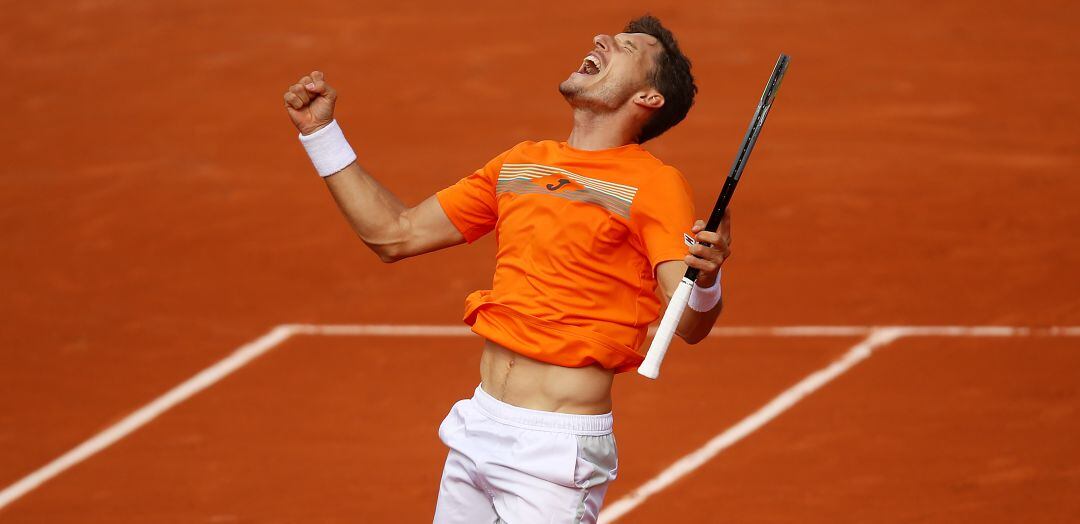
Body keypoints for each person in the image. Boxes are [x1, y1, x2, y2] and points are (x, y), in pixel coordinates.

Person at [283, 14, 731, 524]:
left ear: (648, 99)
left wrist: (709, 279)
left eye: (626, 47)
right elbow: (395, 233)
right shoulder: (522, 164)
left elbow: (688, 324)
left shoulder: (653, 184)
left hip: (555, 450)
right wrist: (321, 133)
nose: (602, 39)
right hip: (478, 424)